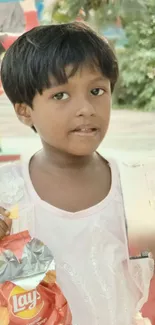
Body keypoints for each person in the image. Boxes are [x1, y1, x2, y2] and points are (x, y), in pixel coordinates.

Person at [0, 22, 153, 325]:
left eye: (97, 91)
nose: (86, 108)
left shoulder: (138, 188)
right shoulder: (7, 193)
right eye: (60, 96)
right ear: (24, 110)